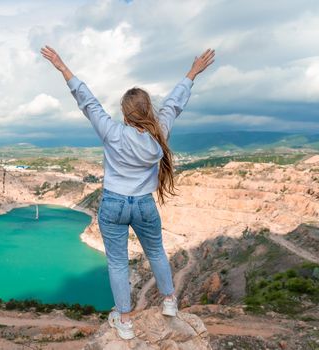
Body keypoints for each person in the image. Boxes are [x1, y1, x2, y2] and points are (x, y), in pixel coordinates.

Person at [41, 45, 215, 340]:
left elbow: (88, 101)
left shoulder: (112, 132)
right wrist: (193, 72)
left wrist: (62, 67)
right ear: (148, 110)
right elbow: (174, 103)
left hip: (113, 204)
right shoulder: (160, 132)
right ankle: (170, 301)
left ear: (124, 113)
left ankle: (124, 320)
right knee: (156, 251)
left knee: (118, 263)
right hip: (144, 204)